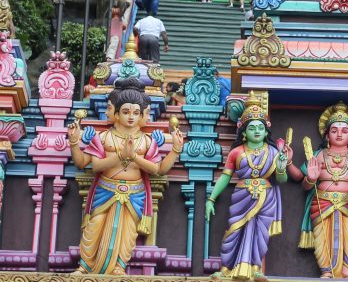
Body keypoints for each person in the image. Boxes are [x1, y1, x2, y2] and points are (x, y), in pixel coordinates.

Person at [66, 78, 184, 275]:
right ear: (116, 114)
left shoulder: (146, 141)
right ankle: (85, 266)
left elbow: (158, 169)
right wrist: (74, 142)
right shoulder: (104, 137)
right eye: (126, 112)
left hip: (133, 194)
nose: (131, 117)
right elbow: (89, 164)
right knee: (94, 227)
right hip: (105, 189)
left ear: (142, 116)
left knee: (128, 232)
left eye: (136, 112)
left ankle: (120, 267)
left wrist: (175, 151)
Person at [206, 97, 288, 281]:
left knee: (260, 233)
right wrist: (211, 199)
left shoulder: (274, 152)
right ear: (244, 132)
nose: (257, 131)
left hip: (266, 197)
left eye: (260, 127)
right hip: (242, 195)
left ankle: (255, 269)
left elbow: (281, 179)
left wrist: (282, 166)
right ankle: (227, 269)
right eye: (252, 128)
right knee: (234, 231)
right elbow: (226, 177)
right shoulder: (236, 152)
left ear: (266, 131)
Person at [287, 102, 348, 279]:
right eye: (334, 130)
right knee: (322, 237)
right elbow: (299, 178)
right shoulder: (318, 155)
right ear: (327, 135)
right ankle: (326, 271)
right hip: (322, 202)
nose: (339, 134)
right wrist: (289, 163)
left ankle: (347, 270)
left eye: (344, 131)